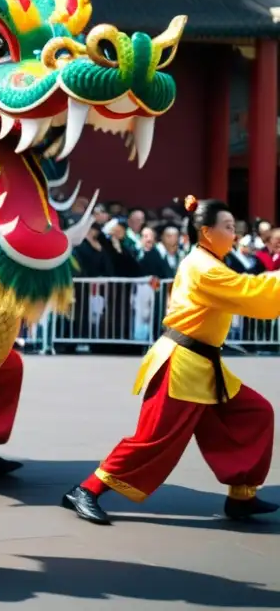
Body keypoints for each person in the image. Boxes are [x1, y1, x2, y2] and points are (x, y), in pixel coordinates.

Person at [62, 196, 279, 525]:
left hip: (204, 367)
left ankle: (241, 495)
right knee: (153, 438)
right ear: (206, 232)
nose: (234, 235)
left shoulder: (208, 263)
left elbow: (249, 290)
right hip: (181, 365)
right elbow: (252, 292)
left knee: (254, 413)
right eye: (228, 227)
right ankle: (86, 490)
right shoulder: (204, 268)